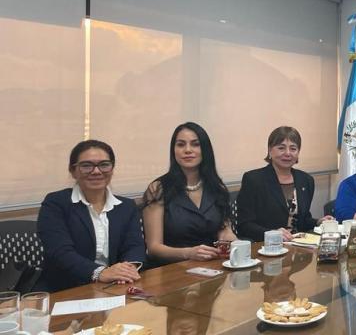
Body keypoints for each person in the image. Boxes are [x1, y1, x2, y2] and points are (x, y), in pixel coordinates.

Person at [37, 140, 145, 292]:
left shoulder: (126, 206)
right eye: (86, 165)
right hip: (66, 289)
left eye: (104, 165)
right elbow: (60, 252)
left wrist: (128, 269)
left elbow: (135, 245)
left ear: (112, 168)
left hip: (115, 286)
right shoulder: (56, 203)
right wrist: (100, 272)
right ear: (73, 171)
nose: (96, 171)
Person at [141, 122, 236, 267]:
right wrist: (188, 253)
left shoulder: (217, 186)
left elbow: (225, 230)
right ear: (173, 150)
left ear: (205, 150)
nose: (187, 150)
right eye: (181, 145)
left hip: (213, 266)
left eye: (195, 144)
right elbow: (154, 248)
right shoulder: (158, 189)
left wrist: (230, 239)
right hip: (172, 269)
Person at [237, 126, 331, 242]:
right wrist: (272, 234)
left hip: (298, 246)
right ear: (270, 150)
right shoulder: (253, 179)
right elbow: (244, 225)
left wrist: (318, 222)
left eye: (293, 149)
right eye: (281, 148)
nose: (287, 153)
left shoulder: (306, 180)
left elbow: (302, 219)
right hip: (266, 246)